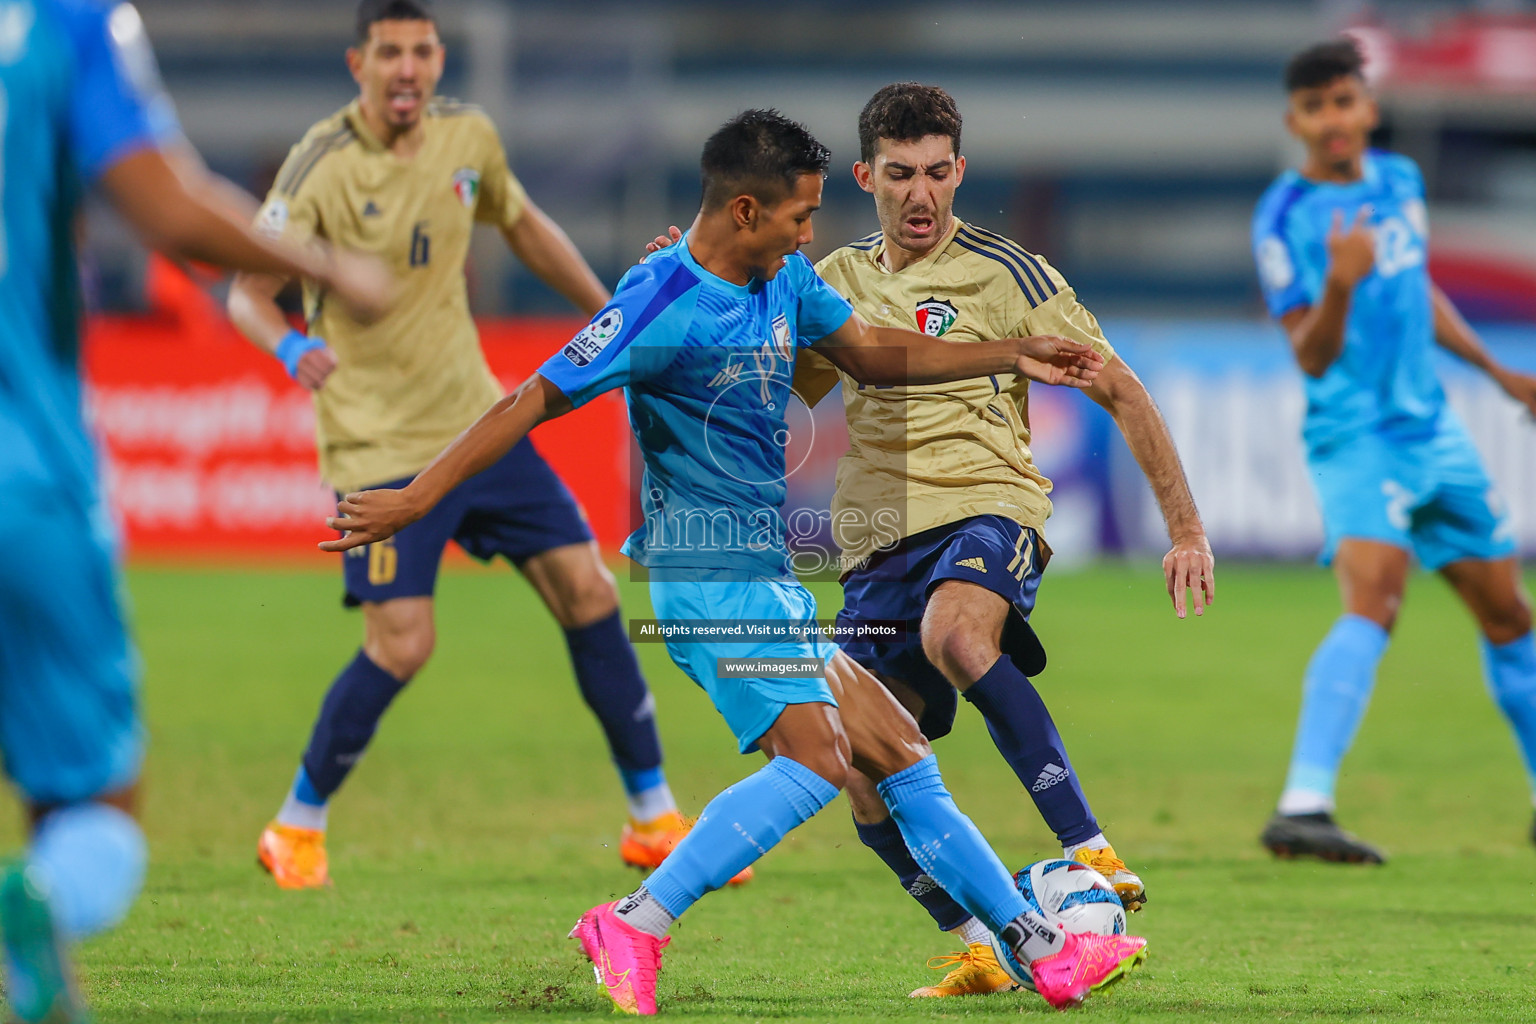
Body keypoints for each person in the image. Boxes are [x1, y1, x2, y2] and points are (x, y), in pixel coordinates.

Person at [320, 109, 1150, 1014]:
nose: (813, 234)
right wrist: (416, 496)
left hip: (767, 580)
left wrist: (1010, 349)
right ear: (747, 210)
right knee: (816, 762)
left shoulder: (783, 279)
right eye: (800, 217)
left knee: (900, 753)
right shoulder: (657, 301)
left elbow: (871, 354)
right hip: (704, 580)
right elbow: (528, 402)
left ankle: (1041, 952)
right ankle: (636, 920)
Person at [226, 0, 716, 890]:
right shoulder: (319, 166)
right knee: (404, 643)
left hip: (474, 423)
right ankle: (296, 825)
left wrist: (612, 313)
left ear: (439, 60)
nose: (407, 69)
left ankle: (652, 817)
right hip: (378, 444)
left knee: (587, 587)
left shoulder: (469, 139)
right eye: (389, 54)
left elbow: (524, 225)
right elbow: (245, 293)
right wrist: (291, 343)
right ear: (358, 65)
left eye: (421, 51)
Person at [0, 2, 390, 1020]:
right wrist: (327, 265)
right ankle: (40, 905)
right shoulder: (63, 22)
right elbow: (164, 208)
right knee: (92, 810)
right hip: (21, 469)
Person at [793, 82, 1212, 997]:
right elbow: (773, 394)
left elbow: (1121, 389)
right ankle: (982, 940)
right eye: (899, 174)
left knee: (957, 635)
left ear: (959, 172)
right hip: (875, 548)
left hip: (987, 508)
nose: (920, 195)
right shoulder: (834, 285)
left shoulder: (1010, 276)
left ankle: (1089, 849)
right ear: (865, 175)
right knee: (849, 758)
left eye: (938, 174)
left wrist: (1184, 527)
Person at [1252, 38, 1536, 863]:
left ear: (1368, 108)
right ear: (1294, 120)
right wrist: (1339, 281)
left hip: (1435, 432)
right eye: (1316, 107)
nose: (1334, 120)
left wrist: (1494, 370)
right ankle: (1303, 805)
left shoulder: (1401, 183)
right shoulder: (1283, 217)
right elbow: (1308, 352)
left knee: (1509, 614)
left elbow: (1416, 288)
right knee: (1374, 599)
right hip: (1357, 438)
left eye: (1345, 101)